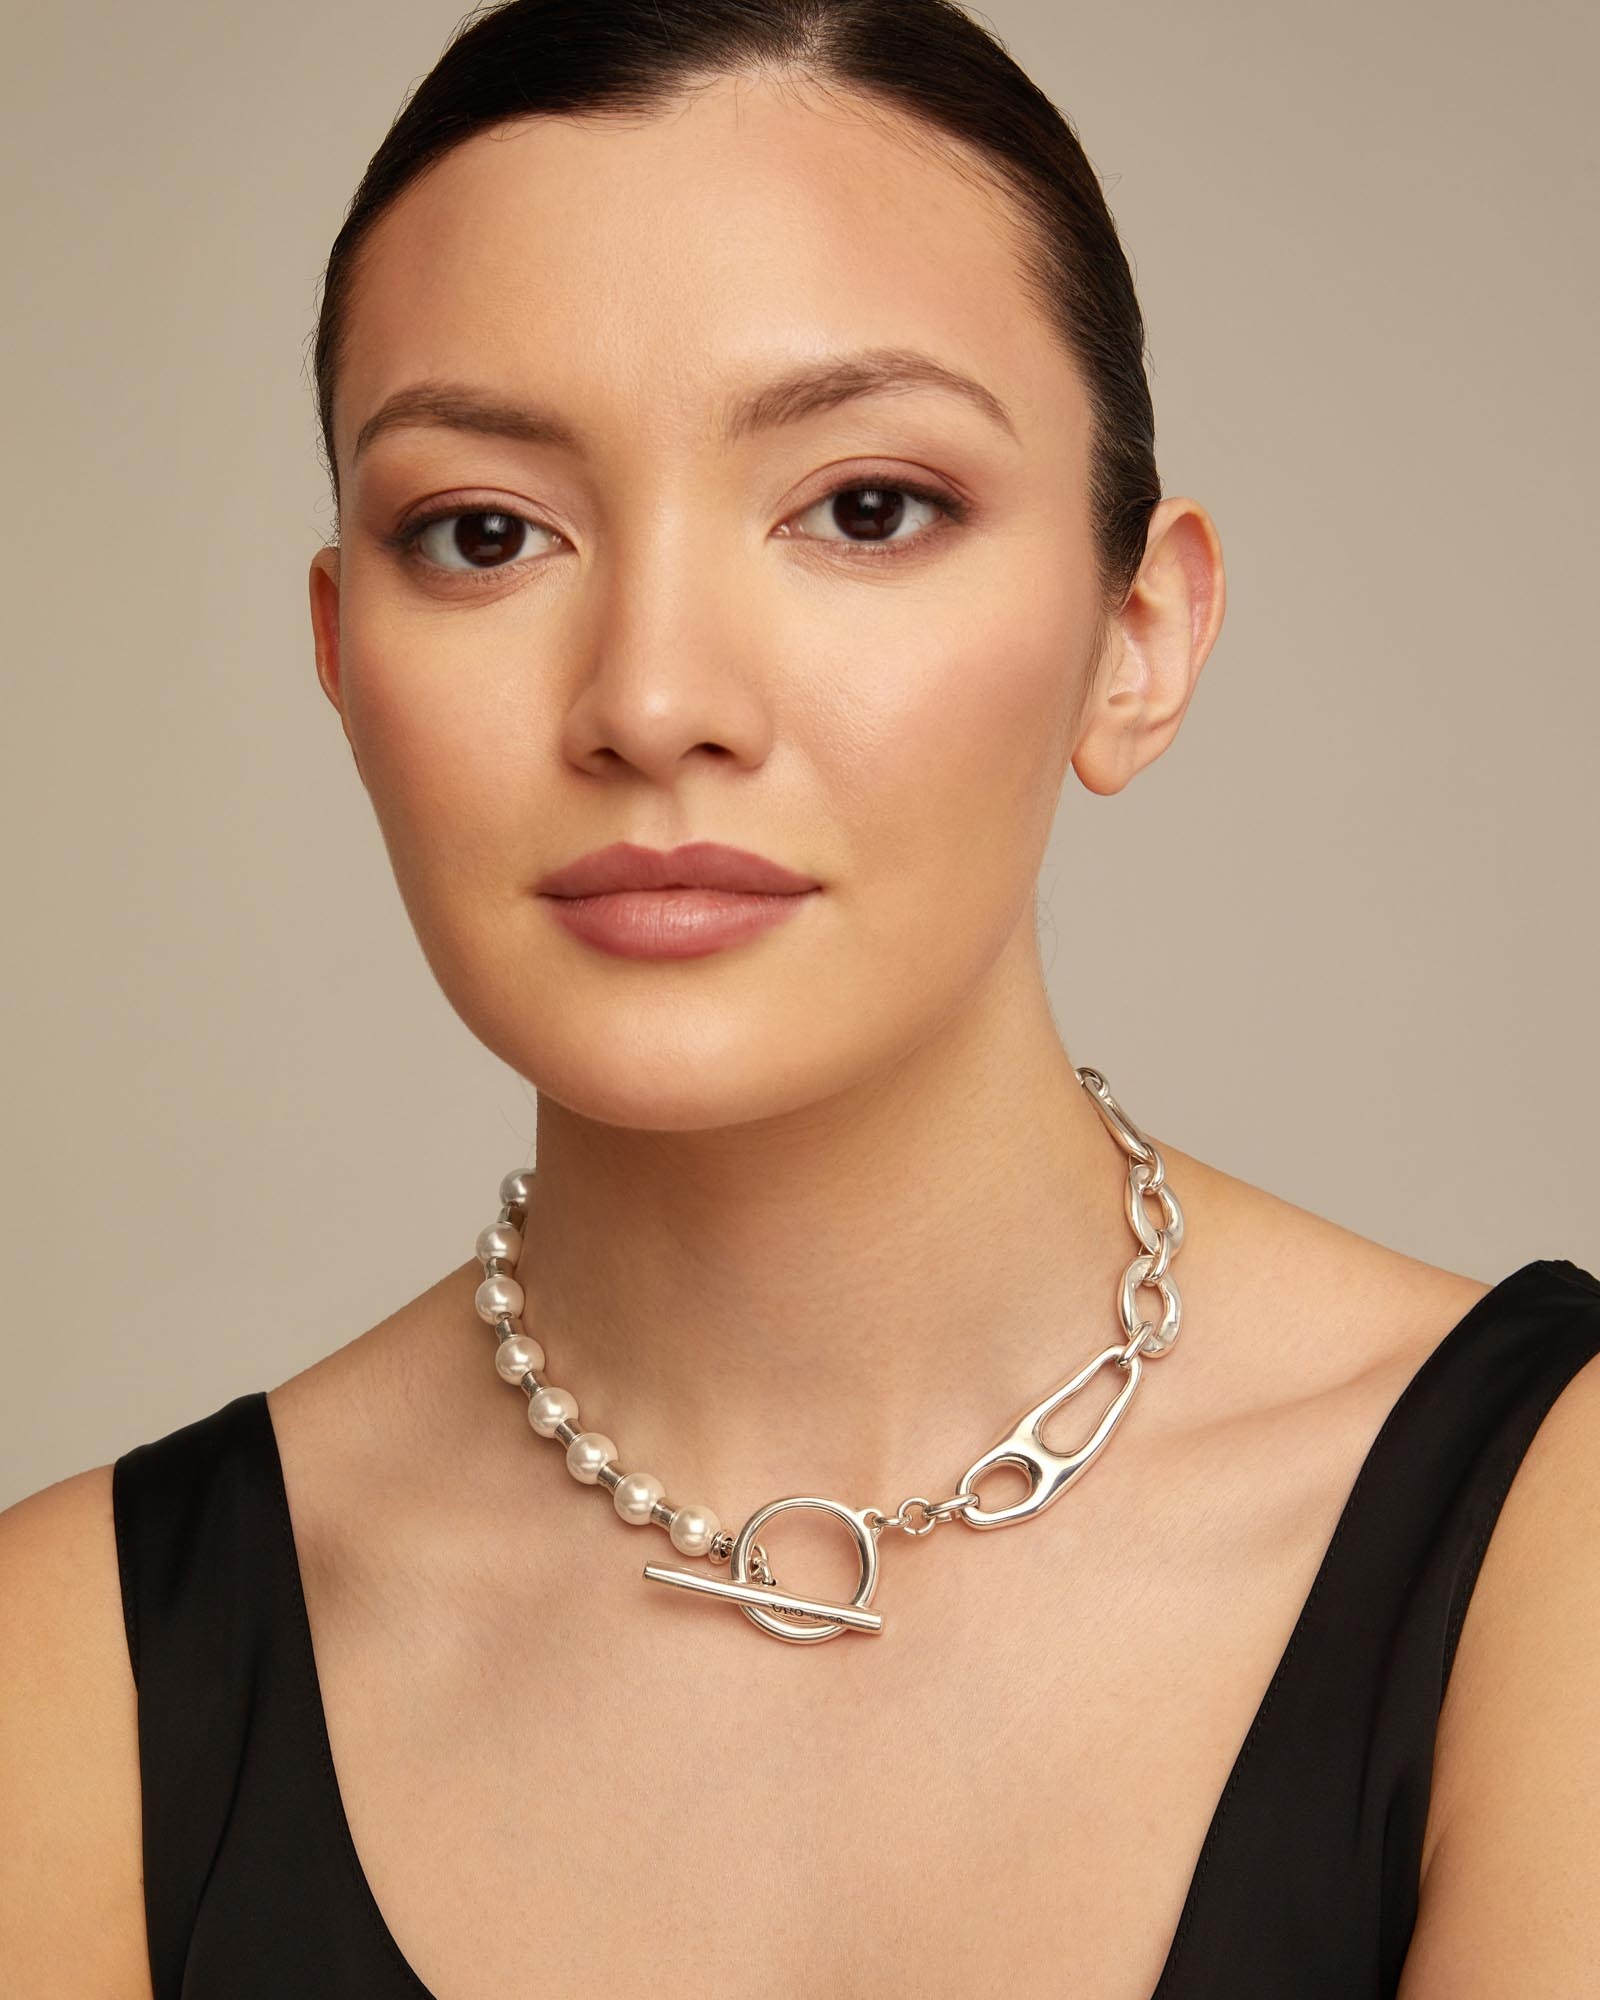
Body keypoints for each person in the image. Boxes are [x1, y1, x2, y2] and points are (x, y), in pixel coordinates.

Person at [3, 2, 1597, 1994]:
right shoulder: (61, 1676)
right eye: (484, 534)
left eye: (864, 508)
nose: (653, 698)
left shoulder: (1556, 1536)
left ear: (1135, 632)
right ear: (343, 659)